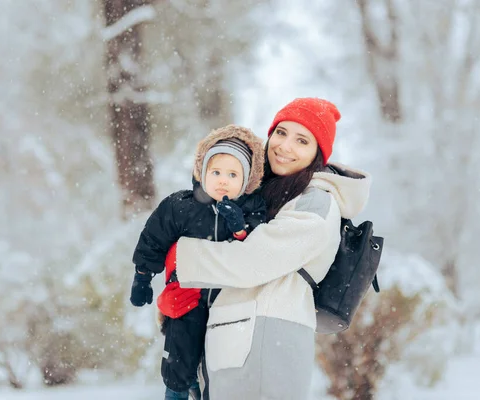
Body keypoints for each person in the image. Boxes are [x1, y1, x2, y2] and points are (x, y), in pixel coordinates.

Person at [159, 98, 372, 400]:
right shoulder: (265, 195)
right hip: (240, 338)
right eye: (281, 133)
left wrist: (181, 256)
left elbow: (253, 261)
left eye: (302, 140)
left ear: (317, 154)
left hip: (266, 340)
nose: (285, 146)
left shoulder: (317, 201)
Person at [129, 125, 266, 400]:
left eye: (232, 174)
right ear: (202, 172)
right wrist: (142, 276)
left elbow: (259, 250)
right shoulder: (180, 206)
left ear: (247, 179)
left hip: (229, 302)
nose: (223, 181)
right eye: (215, 172)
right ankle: (178, 391)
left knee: (221, 365)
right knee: (180, 361)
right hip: (186, 299)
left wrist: (239, 227)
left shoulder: (252, 209)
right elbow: (153, 239)